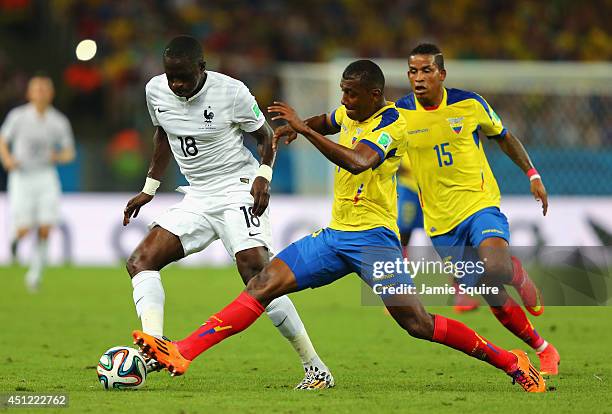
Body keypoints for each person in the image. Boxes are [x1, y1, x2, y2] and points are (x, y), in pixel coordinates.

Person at [133, 59, 546, 393]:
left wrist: (302, 128)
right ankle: (183, 351)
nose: (344, 99)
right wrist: (297, 127)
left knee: (417, 324)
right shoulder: (350, 113)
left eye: (351, 93)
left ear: (374, 95)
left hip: (375, 242)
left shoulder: (392, 124)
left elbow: (358, 160)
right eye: (343, 92)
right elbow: (330, 121)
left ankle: (512, 361)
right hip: (334, 237)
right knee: (261, 285)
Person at [122, 35, 333, 390]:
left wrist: (263, 177)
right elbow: (163, 136)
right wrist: (149, 189)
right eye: (171, 77)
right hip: (198, 195)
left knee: (257, 274)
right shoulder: (155, 91)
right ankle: (153, 346)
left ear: (201, 69)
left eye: (184, 78)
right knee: (140, 261)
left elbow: (265, 137)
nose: (176, 85)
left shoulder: (231, 92)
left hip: (237, 186)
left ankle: (315, 366)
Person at [395, 43, 560, 375]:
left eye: (426, 70)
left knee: (496, 269)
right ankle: (544, 349)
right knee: (492, 295)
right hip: (441, 224)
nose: (419, 78)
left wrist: (533, 174)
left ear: (441, 74)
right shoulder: (399, 114)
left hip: (479, 204)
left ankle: (516, 272)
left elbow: (504, 136)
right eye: (413, 71)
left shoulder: (468, 104)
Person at [0, 75, 75, 292]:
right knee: (25, 227)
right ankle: (15, 238)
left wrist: (58, 157)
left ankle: (34, 275)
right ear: (29, 93)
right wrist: (7, 159)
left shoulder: (58, 121)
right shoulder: (18, 117)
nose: (41, 92)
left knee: (45, 227)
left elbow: (69, 152)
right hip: (22, 177)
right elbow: (3, 139)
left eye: (45, 89)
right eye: (37, 89)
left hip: (45, 176)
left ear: (51, 94)